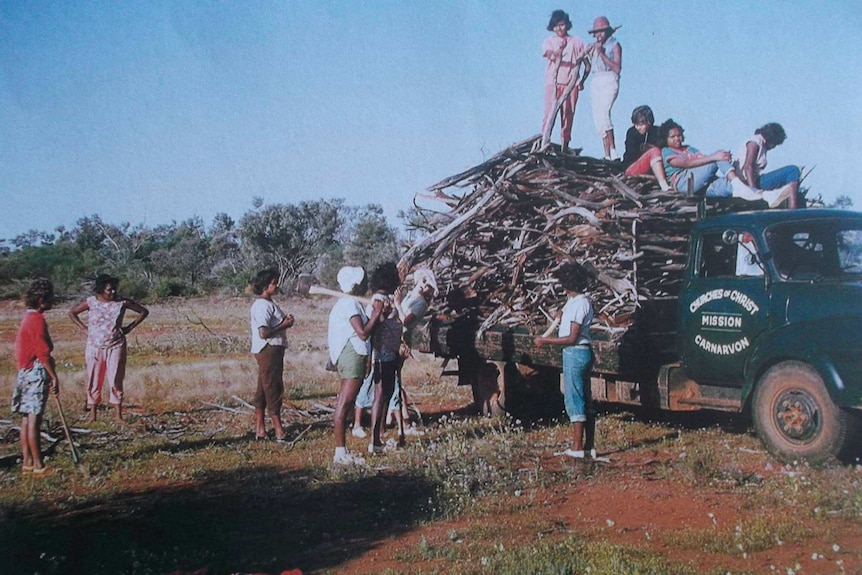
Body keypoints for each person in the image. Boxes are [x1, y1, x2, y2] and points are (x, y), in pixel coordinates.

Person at [534, 262, 596, 459]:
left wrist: (545, 340)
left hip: (575, 352)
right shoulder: (576, 301)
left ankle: (577, 449)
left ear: (567, 283)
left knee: (574, 398)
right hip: (582, 353)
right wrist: (560, 315)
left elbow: (572, 338)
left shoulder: (579, 304)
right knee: (585, 398)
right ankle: (588, 447)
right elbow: (567, 316)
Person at [69, 274, 149, 423]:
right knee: (94, 379)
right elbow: (72, 312)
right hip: (94, 346)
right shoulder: (91, 302)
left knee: (115, 379)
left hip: (115, 345)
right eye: (109, 290)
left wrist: (129, 328)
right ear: (100, 290)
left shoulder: (122, 302)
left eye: (114, 289)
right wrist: (84, 328)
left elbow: (143, 311)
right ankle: (93, 414)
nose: (112, 292)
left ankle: (118, 415)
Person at [660, 119, 788, 206]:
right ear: (666, 139)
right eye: (673, 137)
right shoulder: (666, 151)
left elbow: (703, 159)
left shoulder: (689, 149)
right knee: (717, 157)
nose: (677, 138)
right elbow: (685, 164)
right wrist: (715, 157)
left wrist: (723, 158)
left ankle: (764, 196)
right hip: (684, 183)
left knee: (727, 186)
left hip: (700, 185)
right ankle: (738, 184)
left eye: (679, 135)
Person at [328, 266, 384, 465]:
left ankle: (342, 451)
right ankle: (340, 453)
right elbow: (362, 333)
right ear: (355, 285)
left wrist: (378, 315)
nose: (366, 284)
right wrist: (376, 314)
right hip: (351, 355)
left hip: (355, 354)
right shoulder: (349, 304)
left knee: (347, 402)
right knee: (345, 402)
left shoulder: (352, 304)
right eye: (363, 281)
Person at [13, 278, 60, 475]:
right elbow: (42, 353)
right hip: (36, 371)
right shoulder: (37, 320)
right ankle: (39, 466)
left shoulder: (28, 317)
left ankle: (28, 462)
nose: (52, 302)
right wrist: (53, 377)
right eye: (49, 299)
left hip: (24, 371)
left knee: (26, 419)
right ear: (41, 300)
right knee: (34, 420)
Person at [391, 268, 438, 442]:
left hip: (402, 340)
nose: (423, 284)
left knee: (395, 379)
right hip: (395, 337)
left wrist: (397, 304)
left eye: (427, 283)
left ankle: (405, 419)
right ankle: (396, 416)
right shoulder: (413, 296)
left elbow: (406, 320)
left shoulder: (421, 303)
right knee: (394, 378)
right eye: (422, 280)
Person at [249, 269, 295, 441]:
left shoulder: (269, 304)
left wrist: (284, 322)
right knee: (273, 388)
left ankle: (260, 430)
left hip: (272, 350)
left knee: (263, 388)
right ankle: (279, 430)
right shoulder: (262, 306)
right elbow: (264, 332)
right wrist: (285, 325)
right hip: (268, 350)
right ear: (265, 285)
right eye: (274, 282)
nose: (277, 286)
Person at [362, 263, 403, 454]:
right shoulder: (378, 300)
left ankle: (379, 433)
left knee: (385, 393)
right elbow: (373, 326)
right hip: (383, 354)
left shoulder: (387, 298)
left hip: (391, 353)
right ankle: (374, 439)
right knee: (380, 394)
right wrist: (383, 313)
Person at [541, 9, 591, 154]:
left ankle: (564, 146)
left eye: (561, 25)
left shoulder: (577, 42)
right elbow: (551, 56)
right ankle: (545, 143)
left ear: (567, 25)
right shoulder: (549, 41)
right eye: (556, 26)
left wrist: (582, 80)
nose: (559, 29)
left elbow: (587, 64)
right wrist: (560, 50)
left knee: (568, 115)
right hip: (554, 82)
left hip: (571, 83)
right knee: (549, 114)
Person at [733, 123, 800, 209]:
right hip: (748, 182)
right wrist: (753, 191)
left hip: (753, 180)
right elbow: (748, 167)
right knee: (793, 170)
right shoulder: (755, 142)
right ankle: (793, 209)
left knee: (787, 178)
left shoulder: (760, 143)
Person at [588, 16, 622, 161]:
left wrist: (601, 53)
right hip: (596, 80)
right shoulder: (593, 46)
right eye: (597, 32)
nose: (599, 35)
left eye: (602, 31)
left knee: (604, 113)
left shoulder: (614, 45)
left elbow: (617, 68)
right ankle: (607, 154)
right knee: (598, 118)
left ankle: (613, 150)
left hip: (609, 78)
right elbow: (587, 64)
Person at [622, 105, 671, 191]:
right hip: (632, 169)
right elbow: (630, 155)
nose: (638, 127)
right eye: (636, 124)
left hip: (652, 169)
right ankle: (663, 184)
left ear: (649, 122)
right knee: (654, 152)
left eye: (641, 124)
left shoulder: (658, 132)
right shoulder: (632, 133)